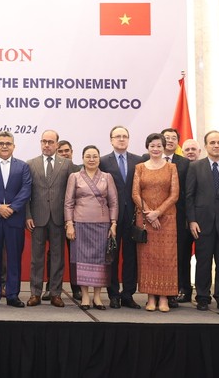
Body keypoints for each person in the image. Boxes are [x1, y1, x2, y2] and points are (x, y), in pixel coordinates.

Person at [186, 131, 219, 311]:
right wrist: (192, 220)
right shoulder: (195, 167)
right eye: (212, 142)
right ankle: (202, 297)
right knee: (203, 262)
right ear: (206, 146)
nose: (216, 145)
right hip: (202, 224)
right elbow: (189, 196)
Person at [26, 129, 78, 308]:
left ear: (57, 144)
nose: (46, 145)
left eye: (50, 142)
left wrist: (70, 219)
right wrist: (28, 215)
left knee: (58, 257)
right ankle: (35, 293)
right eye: (43, 141)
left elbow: (73, 193)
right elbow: (26, 193)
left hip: (59, 218)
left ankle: (56, 293)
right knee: (36, 258)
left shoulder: (67, 164)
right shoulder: (31, 164)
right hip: (38, 218)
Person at [64, 145, 118, 310]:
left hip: (102, 224)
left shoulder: (107, 177)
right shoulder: (75, 176)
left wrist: (113, 223)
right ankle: (85, 297)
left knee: (100, 261)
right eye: (88, 156)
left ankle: (97, 297)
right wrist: (69, 224)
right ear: (82, 158)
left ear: (99, 158)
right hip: (80, 224)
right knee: (81, 261)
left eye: (95, 156)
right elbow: (68, 202)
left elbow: (114, 202)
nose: (92, 159)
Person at [0, 131, 31, 308]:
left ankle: (12, 295)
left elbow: (26, 189)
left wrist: (11, 208)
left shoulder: (23, 167)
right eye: (1, 143)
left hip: (14, 219)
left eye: (8, 143)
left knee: (14, 258)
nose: (4, 146)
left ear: (13, 146)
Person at [133, 133, 179, 312]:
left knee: (166, 258)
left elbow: (174, 194)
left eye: (159, 146)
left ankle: (164, 298)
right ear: (147, 147)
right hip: (144, 220)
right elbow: (135, 193)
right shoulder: (140, 168)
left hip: (167, 219)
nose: (156, 149)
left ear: (164, 147)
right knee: (147, 258)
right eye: (152, 146)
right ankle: (150, 298)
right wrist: (149, 214)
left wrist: (158, 213)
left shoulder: (171, 168)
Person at [100, 126, 143, 309]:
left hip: (133, 215)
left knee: (131, 256)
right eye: (118, 136)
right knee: (112, 255)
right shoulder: (103, 161)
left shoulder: (139, 161)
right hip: (112, 217)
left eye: (125, 136)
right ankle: (113, 294)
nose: (121, 139)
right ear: (111, 140)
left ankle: (128, 294)